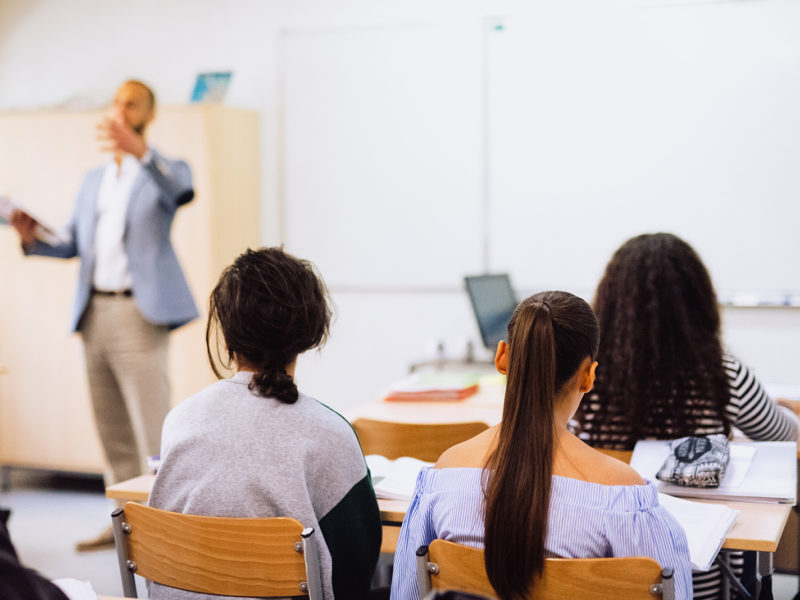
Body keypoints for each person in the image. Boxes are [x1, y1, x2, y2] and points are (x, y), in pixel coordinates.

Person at [390, 291, 692, 600]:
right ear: (588, 376)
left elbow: (406, 592)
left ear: (502, 357)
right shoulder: (622, 494)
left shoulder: (443, 475)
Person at [9, 80, 198, 550]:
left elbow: (182, 188)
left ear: (148, 116)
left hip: (139, 312)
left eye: (131, 103)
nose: (120, 110)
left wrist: (142, 153)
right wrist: (32, 235)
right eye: (116, 102)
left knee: (153, 429)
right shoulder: (94, 180)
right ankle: (124, 527)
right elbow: (74, 243)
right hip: (94, 310)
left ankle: (166, 529)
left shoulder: (164, 171)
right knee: (112, 429)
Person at [572, 231, 799, 599]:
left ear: (609, 302)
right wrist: (781, 408)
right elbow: (785, 435)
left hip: (602, 576)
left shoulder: (584, 378)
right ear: (698, 303)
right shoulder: (722, 376)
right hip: (698, 580)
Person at [147, 247, 382, 600]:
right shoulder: (330, 433)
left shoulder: (179, 420)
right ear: (308, 334)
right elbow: (355, 570)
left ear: (226, 337)